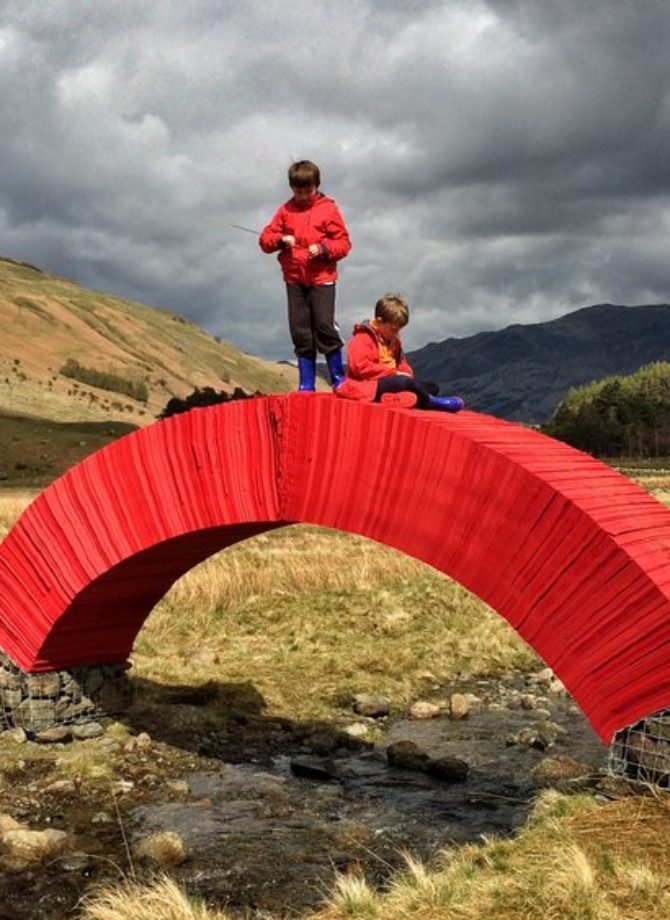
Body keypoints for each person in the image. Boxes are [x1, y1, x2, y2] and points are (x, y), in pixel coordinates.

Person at [259, 160, 351, 391]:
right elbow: (265, 240)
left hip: (322, 279)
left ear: (316, 186)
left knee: (324, 326)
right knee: (299, 329)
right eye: (297, 191)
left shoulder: (328, 209)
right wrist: (281, 240)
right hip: (294, 279)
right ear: (292, 187)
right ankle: (306, 383)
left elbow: (343, 243)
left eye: (307, 191)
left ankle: (338, 379)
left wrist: (323, 248)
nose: (302, 196)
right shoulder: (285, 211)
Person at [335, 293, 464, 412]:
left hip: (389, 381)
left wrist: (406, 373)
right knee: (406, 383)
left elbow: (401, 363)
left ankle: (395, 398)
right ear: (379, 321)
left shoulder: (393, 341)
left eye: (399, 329)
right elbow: (360, 368)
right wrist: (393, 373)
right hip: (367, 385)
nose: (396, 332)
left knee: (432, 387)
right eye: (393, 329)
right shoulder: (362, 338)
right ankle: (431, 402)